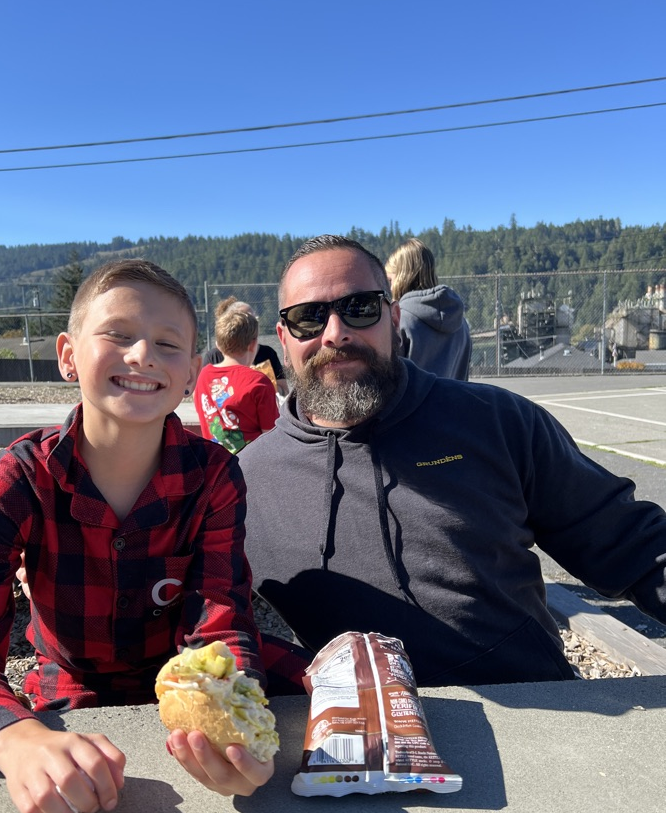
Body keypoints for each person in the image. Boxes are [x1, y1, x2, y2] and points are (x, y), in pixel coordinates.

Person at [0, 258, 279, 813]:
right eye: (118, 334)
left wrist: (239, 715)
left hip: (180, 677)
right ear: (68, 355)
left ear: (191, 374)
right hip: (72, 682)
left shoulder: (215, 476)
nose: (143, 355)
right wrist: (18, 740)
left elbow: (220, 620)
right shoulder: (20, 479)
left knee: (324, 695)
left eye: (168, 343)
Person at [237, 235, 666, 687]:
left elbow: (634, 546)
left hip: (539, 726)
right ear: (283, 339)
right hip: (351, 741)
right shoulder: (246, 480)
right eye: (309, 317)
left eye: (360, 307)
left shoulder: (498, 422)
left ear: (394, 318)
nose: (335, 333)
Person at [193, 304, 279, 453]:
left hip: (214, 464)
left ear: (218, 345)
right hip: (251, 466)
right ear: (253, 345)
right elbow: (271, 436)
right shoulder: (258, 381)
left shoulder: (203, 376)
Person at [384, 237, 472, 380]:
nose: (390, 287)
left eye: (390, 280)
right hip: (455, 402)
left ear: (401, 277)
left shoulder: (400, 321)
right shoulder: (462, 323)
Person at [203, 295, 289, 395]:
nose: (252, 325)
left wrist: (266, 384)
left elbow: (284, 390)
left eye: (254, 320)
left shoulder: (267, 353)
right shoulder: (214, 357)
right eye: (246, 321)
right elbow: (204, 394)